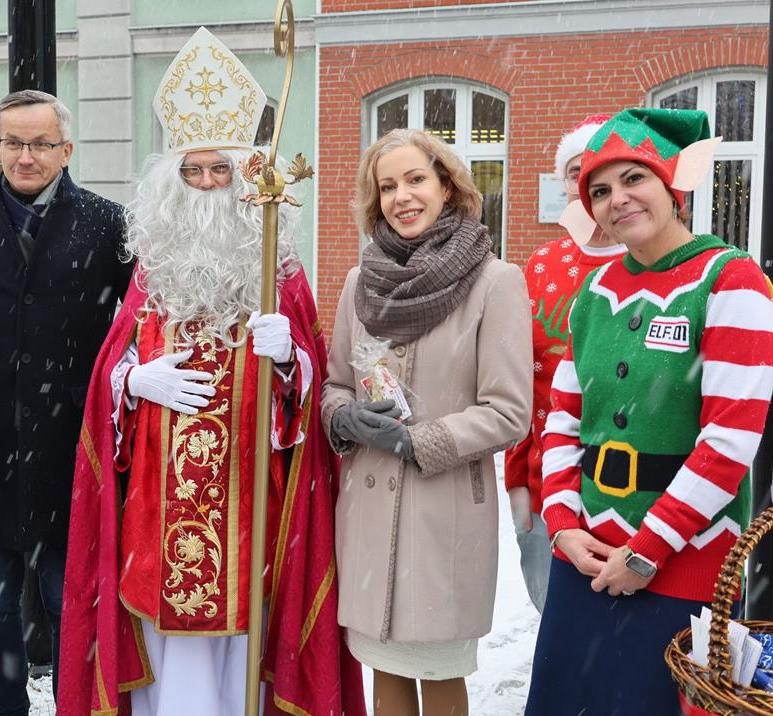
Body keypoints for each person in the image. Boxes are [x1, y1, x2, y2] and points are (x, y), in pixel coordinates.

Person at [58, 27, 364, 716]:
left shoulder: (278, 270)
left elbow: (311, 388)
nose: (204, 185)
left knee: (243, 644)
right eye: (191, 172)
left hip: (250, 499)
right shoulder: (152, 269)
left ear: (241, 177)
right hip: (156, 508)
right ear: (172, 182)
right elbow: (112, 366)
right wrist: (132, 382)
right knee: (173, 655)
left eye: (218, 171)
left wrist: (291, 359)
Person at [526, 108, 773, 715]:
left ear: (671, 186)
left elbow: (730, 440)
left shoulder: (731, 280)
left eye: (634, 179)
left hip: (683, 562)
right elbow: (562, 417)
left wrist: (648, 549)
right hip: (582, 556)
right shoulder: (596, 290)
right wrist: (562, 523)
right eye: (600, 190)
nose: (618, 200)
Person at [322, 127, 532, 716]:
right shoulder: (360, 282)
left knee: (437, 672)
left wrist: (419, 441)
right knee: (383, 669)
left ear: (447, 184)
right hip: (367, 509)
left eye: (415, 179)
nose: (401, 197)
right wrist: (347, 418)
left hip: (442, 514)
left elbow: (509, 411)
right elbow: (337, 382)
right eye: (387, 186)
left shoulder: (495, 282)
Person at [0, 89, 130, 716]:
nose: (26, 156)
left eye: (41, 143)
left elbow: (137, 325)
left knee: (66, 596)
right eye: (13, 143)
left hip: (74, 445)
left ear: (66, 149)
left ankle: (73, 707)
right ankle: (6, 708)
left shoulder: (109, 224)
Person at [503, 114, 626, 614]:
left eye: (604, 172)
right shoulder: (541, 265)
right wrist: (517, 479)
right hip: (545, 483)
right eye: (578, 173)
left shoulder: (656, 262)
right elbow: (517, 375)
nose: (590, 186)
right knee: (556, 627)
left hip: (630, 487)